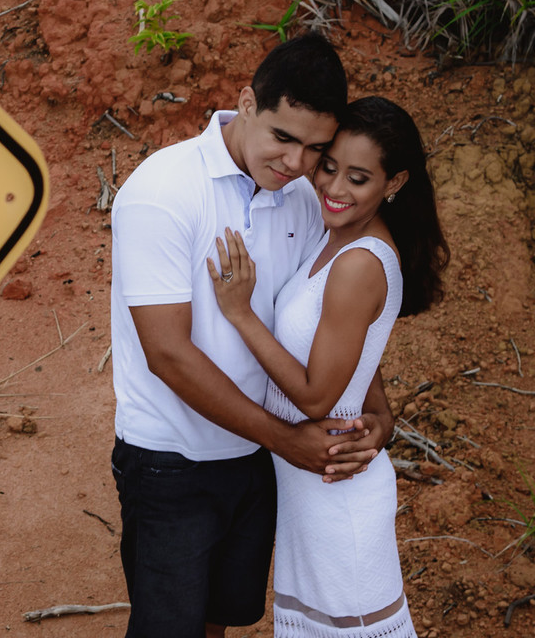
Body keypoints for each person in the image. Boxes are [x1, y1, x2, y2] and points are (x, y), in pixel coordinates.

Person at [109, 32, 395, 638]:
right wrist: (287, 440)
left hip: (254, 463)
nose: (295, 163)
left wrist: (379, 411)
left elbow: (325, 321)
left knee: (221, 621)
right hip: (172, 459)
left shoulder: (302, 199)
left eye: (314, 149)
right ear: (246, 103)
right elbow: (167, 353)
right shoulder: (162, 192)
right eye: (283, 137)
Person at [208, 96, 448, 636]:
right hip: (311, 491)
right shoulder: (335, 237)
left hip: (340, 499)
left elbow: (316, 397)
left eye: (358, 178)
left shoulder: (359, 263)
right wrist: (381, 418)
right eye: (329, 167)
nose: (335, 188)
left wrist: (241, 314)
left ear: (394, 182)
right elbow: (356, 354)